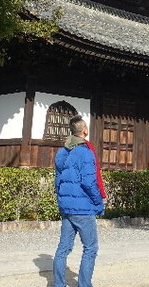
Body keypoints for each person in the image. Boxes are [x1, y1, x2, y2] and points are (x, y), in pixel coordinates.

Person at [53, 115, 106, 287]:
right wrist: (98, 202)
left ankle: (59, 284)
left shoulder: (61, 152)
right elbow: (89, 182)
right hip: (83, 209)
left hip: (67, 208)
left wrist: (62, 202)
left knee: (63, 249)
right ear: (85, 131)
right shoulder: (85, 152)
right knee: (90, 248)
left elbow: (58, 182)